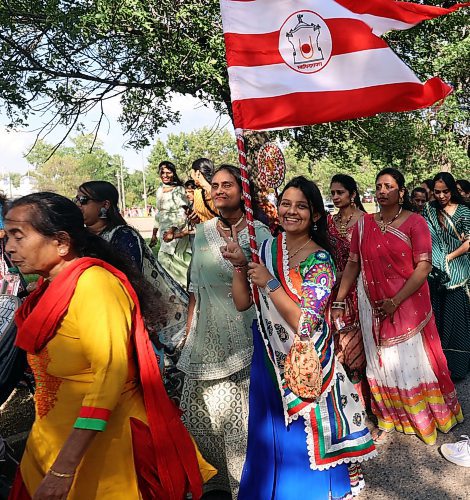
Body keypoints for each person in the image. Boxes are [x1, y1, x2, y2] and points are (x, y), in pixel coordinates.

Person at [5, 193, 212, 500]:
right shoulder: (47, 288)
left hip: (104, 452)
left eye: (18, 236)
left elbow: (108, 380)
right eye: (7, 236)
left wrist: (64, 468)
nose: (9, 248)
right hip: (52, 439)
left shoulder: (96, 287)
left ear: (61, 243)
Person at [224, 176, 376, 500]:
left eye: (301, 206)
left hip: (305, 361)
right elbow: (241, 303)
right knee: (271, 432)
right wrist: (240, 266)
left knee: (301, 437)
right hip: (267, 356)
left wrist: (270, 283)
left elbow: (304, 324)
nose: (291, 211)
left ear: (316, 215)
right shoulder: (266, 247)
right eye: (286, 204)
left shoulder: (320, 261)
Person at [333, 168, 463, 445]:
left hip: (407, 305)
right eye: (378, 185)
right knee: (381, 363)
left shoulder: (415, 222)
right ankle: (390, 416)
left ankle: (424, 417)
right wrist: (340, 299)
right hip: (373, 305)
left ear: (401, 192)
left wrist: (396, 300)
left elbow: (424, 265)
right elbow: (353, 264)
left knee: (411, 362)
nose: (382, 190)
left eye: (388, 186)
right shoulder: (364, 224)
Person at [177, 165, 271, 498]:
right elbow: (194, 288)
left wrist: (243, 263)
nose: (218, 191)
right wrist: (188, 334)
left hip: (245, 338)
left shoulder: (261, 234)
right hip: (205, 340)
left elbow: (268, 290)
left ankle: (243, 485)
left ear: (242, 191)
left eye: (227, 185)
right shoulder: (202, 232)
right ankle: (211, 483)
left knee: (239, 421)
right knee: (202, 417)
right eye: (214, 185)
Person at [74, 181, 188, 399]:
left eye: (83, 200)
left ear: (104, 205)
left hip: (165, 323)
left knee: (167, 391)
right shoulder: (85, 240)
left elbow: (127, 284)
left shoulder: (124, 235)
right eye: (77, 200)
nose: (78, 205)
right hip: (127, 322)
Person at [422, 172, 470, 380]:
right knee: (438, 320)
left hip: (457, 271)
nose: (441, 196)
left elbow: (468, 243)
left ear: (452, 190)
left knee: (457, 321)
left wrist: (447, 258)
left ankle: (457, 367)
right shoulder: (429, 211)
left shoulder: (464, 212)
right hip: (434, 273)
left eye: (445, 191)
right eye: (437, 192)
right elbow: (425, 237)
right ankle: (438, 366)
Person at [327, 174, 368, 405]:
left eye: (340, 192)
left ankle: (364, 406)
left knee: (358, 348)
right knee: (338, 345)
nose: (335, 197)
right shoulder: (328, 223)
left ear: (352, 195)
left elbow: (367, 259)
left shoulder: (366, 221)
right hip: (333, 290)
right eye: (332, 193)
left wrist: (343, 276)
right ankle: (344, 403)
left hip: (358, 290)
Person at [149, 161, 191, 288]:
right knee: (174, 262)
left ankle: (179, 288)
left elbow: (183, 213)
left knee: (164, 258)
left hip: (176, 229)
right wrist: (154, 234)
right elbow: (159, 214)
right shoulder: (160, 190)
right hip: (163, 230)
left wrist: (172, 231)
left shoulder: (179, 190)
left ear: (174, 173)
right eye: (163, 172)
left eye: (169, 172)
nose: (165, 175)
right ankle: (183, 289)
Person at [189, 158, 218, 223]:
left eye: (192, 172)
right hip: (201, 231)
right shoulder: (197, 192)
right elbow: (198, 218)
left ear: (198, 173)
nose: (191, 176)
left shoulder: (218, 193)